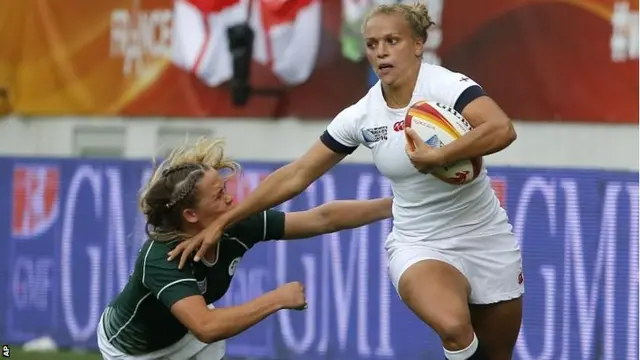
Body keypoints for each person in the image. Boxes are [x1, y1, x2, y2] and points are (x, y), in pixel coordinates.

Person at [169, 2, 523, 360]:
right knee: (454, 327)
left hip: (486, 236)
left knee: (496, 354)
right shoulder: (362, 115)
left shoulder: (447, 85)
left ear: (418, 44)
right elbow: (296, 175)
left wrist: (440, 157)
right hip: (419, 241)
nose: (381, 51)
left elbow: (501, 129)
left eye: (392, 40)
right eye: (371, 44)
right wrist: (224, 222)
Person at [96, 137, 393, 360]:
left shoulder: (235, 225)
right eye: (219, 195)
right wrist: (276, 299)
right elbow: (206, 326)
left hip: (187, 336)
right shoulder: (163, 258)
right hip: (132, 351)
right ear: (191, 215)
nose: (230, 199)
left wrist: (395, 206)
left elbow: (322, 218)